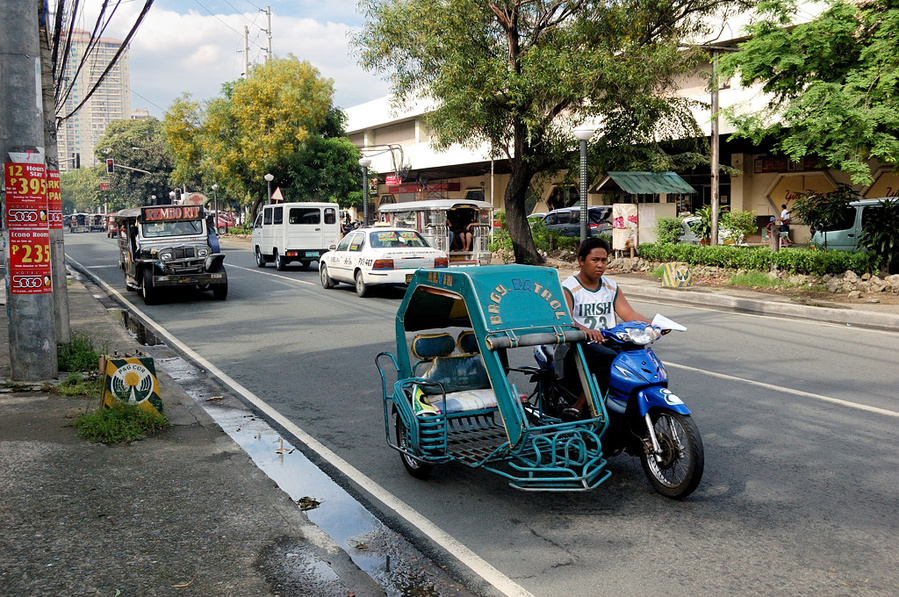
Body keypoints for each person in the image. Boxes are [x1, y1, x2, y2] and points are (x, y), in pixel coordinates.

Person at [561, 237, 652, 419]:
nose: (600, 265)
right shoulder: (568, 287)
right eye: (595, 260)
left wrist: (654, 325)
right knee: (611, 361)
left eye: (604, 260)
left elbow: (629, 314)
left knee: (639, 359)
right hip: (579, 344)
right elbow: (566, 321)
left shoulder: (611, 286)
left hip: (609, 339)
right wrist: (585, 330)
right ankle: (579, 405)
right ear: (581, 261)